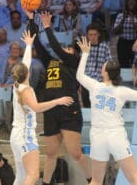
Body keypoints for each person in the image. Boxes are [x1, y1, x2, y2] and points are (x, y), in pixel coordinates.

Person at [76, 36, 137, 185]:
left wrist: (85, 54)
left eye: (103, 66)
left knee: (96, 181)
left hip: (98, 135)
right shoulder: (121, 91)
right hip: (116, 135)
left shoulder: (95, 86)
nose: (101, 67)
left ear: (105, 72)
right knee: (134, 179)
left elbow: (79, 75)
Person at [30, 11, 92, 184]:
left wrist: (48, 27)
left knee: (75, 153)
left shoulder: (74, 62)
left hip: (69, 110)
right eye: (66, 48)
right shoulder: (51, 62)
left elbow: (56, 47)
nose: (65, 49)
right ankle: (46, 183)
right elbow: (39, 45)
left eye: (69, 48)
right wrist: (31, 22)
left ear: (73, 53)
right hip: (51, 110)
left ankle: (92, 180)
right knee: (51, 153)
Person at [11, 30, 73, 185]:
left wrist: (29, 45)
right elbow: (37, 108)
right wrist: (57, 101)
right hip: (25, 135)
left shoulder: (17, 85)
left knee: (21, 177)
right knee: (32, 176)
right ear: (28, 74)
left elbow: (25, 64)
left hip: (16, 134)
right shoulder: (26, 90)